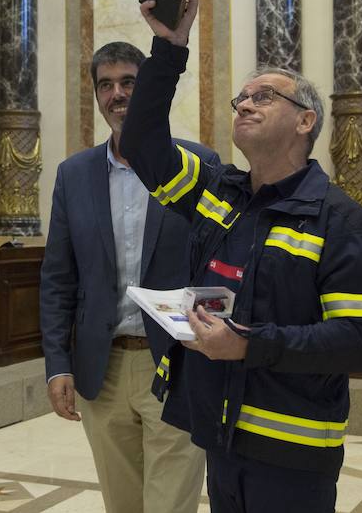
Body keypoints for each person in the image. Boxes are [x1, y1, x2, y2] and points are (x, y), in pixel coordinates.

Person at [119, 0, 362, 513]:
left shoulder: (343, 222)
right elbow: (141, 143)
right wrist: (169, 47)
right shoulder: (218, 193)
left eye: (264, 97)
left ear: (304, 121)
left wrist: (248, 344)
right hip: (221, 433)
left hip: (293, 449)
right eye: (241, 98)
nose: (244, 103)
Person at [40, 41, 218, 513]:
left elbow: (219, 264)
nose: (117, 94)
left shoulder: (200, 166)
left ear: (149, 90)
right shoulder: (73, 175)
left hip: (178, 363)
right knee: (123, 504)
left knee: (170, 504)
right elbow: (58, 277)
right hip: (103, 368)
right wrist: (58, 363)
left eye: (128, 83)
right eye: (105, 85)